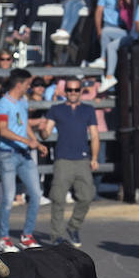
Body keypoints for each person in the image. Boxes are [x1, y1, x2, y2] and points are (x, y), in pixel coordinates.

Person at [41, 79, 99, 247]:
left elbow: (95, 135)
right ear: (65, 91)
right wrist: (42, 130)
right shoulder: (56, 109)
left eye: (76, 90)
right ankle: (57, 235)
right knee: (58, 199)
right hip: (63, 159)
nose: (73, 92)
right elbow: (46, 132)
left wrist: (94, 158)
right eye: (70, 90)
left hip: (82, 159)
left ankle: (74, 226)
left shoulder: (88, 110)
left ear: (81, 91)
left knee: (87, 196)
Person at [0, 68, 46, 253]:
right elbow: (4, 130)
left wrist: (36, 143)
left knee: (36, 194)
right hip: (8, 154)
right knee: (8, 198)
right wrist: (28, 141)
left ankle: (27, 235)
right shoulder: (3, 104)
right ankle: (4, 238)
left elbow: (24, 125)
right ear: (19, 84)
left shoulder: (23, 102)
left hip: (24, 154)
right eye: (27, 84)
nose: (29, 87)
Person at [94, 0, 130, 93]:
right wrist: (98, 30)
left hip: (126, 30)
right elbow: (99, 10)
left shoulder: (128, 1)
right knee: (109, 44)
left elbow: (126, 7)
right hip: (111, 26)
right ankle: (108, 76)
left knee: (111, 44)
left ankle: (108, 72)